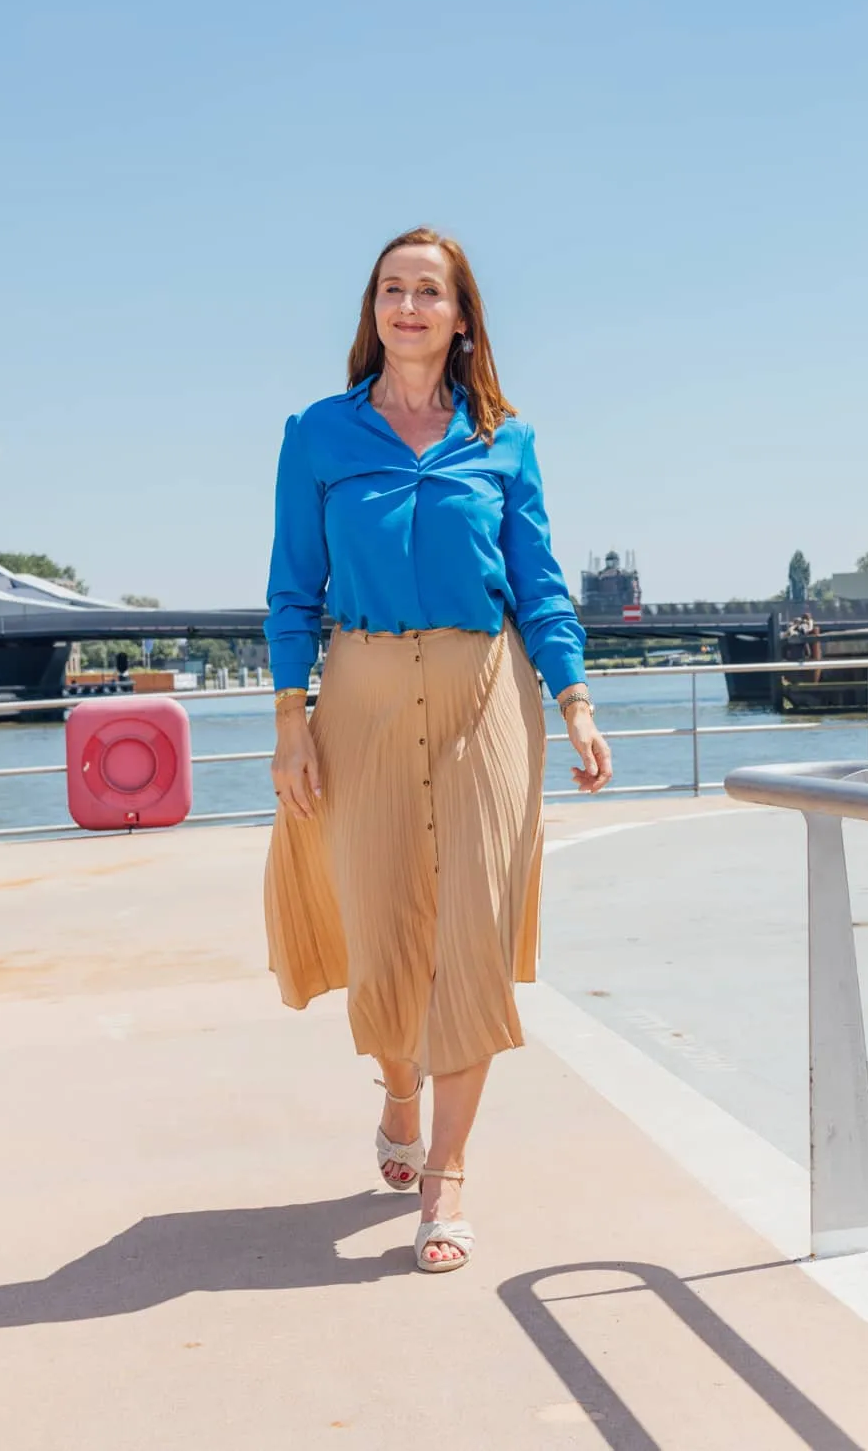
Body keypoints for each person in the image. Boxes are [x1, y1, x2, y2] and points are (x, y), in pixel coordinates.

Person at [262, 226, 614, 1275]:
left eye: (430, 291)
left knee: (469, 930)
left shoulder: (505, 439)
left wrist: (576, 702)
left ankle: (446, 1175)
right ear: (371, 310)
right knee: (382, 928)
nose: (408, 305)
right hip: (360, 697)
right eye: (391, 289)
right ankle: (400, 1088)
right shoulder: (318, 436)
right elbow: (291, 588)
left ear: (462, 318)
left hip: (483, 700)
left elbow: (540, 583)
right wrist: (289, 724)